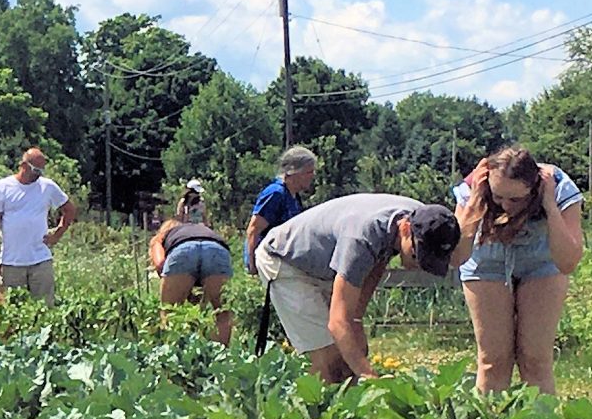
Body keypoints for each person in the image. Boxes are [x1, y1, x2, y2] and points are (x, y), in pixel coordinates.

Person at [254, 193, 469, 382]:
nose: (418, 264)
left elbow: (376, 263)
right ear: (405, 228)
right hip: (286, 261)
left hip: (324, 266)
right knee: (331, 362)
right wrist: (370, 378)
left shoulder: (423, 219)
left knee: (353, 352)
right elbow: (338, 322)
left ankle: (349, 418)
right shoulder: (362, 237)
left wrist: (356, 320)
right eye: (417, 255)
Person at [454, 144, 585, 393]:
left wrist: (549, 205)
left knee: (536, 360)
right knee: (493, 361)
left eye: (515, 199)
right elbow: (457, 257)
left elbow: (568, 262)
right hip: (485, 261)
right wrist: (474, 204)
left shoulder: (559, 186)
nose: (505, 206)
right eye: (498, 197)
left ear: (533, 187)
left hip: (542, 261)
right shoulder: (472, 186)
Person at [148, 180, 236, 341]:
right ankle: (222, 355)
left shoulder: (167, 232)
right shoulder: (202, 225)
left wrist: (165, 272)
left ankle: (171, 353)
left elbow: (158, 256)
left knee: (170, 311)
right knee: (222, 312)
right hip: (216, 247)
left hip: (183, 249)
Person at [0, 147, 74, 304]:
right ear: (23, 166)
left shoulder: (48, 187)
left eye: (41, 171)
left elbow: (69, 209)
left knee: (46, 308)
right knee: (14, 312)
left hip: (41, 260)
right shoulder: (2, 187)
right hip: (12, 263)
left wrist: (58, 233)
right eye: (36, 170)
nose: (38, 174)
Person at [244, 145, 319, 271]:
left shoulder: (294, 197)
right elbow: (254, 229)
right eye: (308, 172)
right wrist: (252, 264)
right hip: (269, 260)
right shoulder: (276, 194)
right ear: (294, 172)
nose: (312, 176)